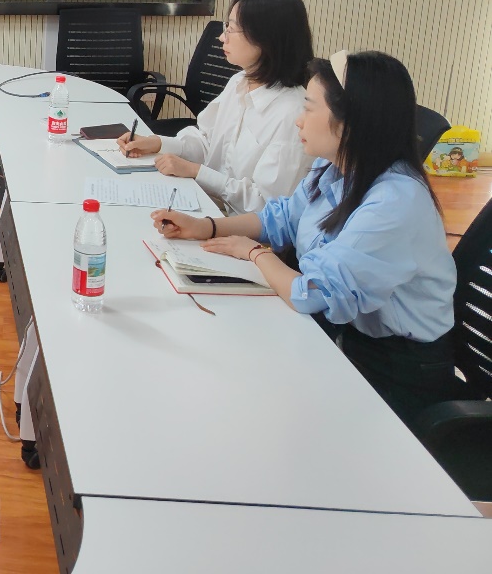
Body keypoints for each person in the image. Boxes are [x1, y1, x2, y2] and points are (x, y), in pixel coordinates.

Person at [152, 51, 458, 428]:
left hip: (399, 370)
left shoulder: (395, 201)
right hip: (347, 337)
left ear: (350, 121)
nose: (299, 119)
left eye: (309, 107)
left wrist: (254, 254)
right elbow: (281, 218)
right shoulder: (335, 166)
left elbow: (313, 294)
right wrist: (207, 226)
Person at [119, 0, 314, 214]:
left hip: (240, 227)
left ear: (266, 38)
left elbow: (267, 206)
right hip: (204, 204)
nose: (222, 37)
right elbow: (206, 141)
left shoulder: (292, 114)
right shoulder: (239, 82)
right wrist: (158, 143)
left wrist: (197, 172)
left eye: (231, 29)